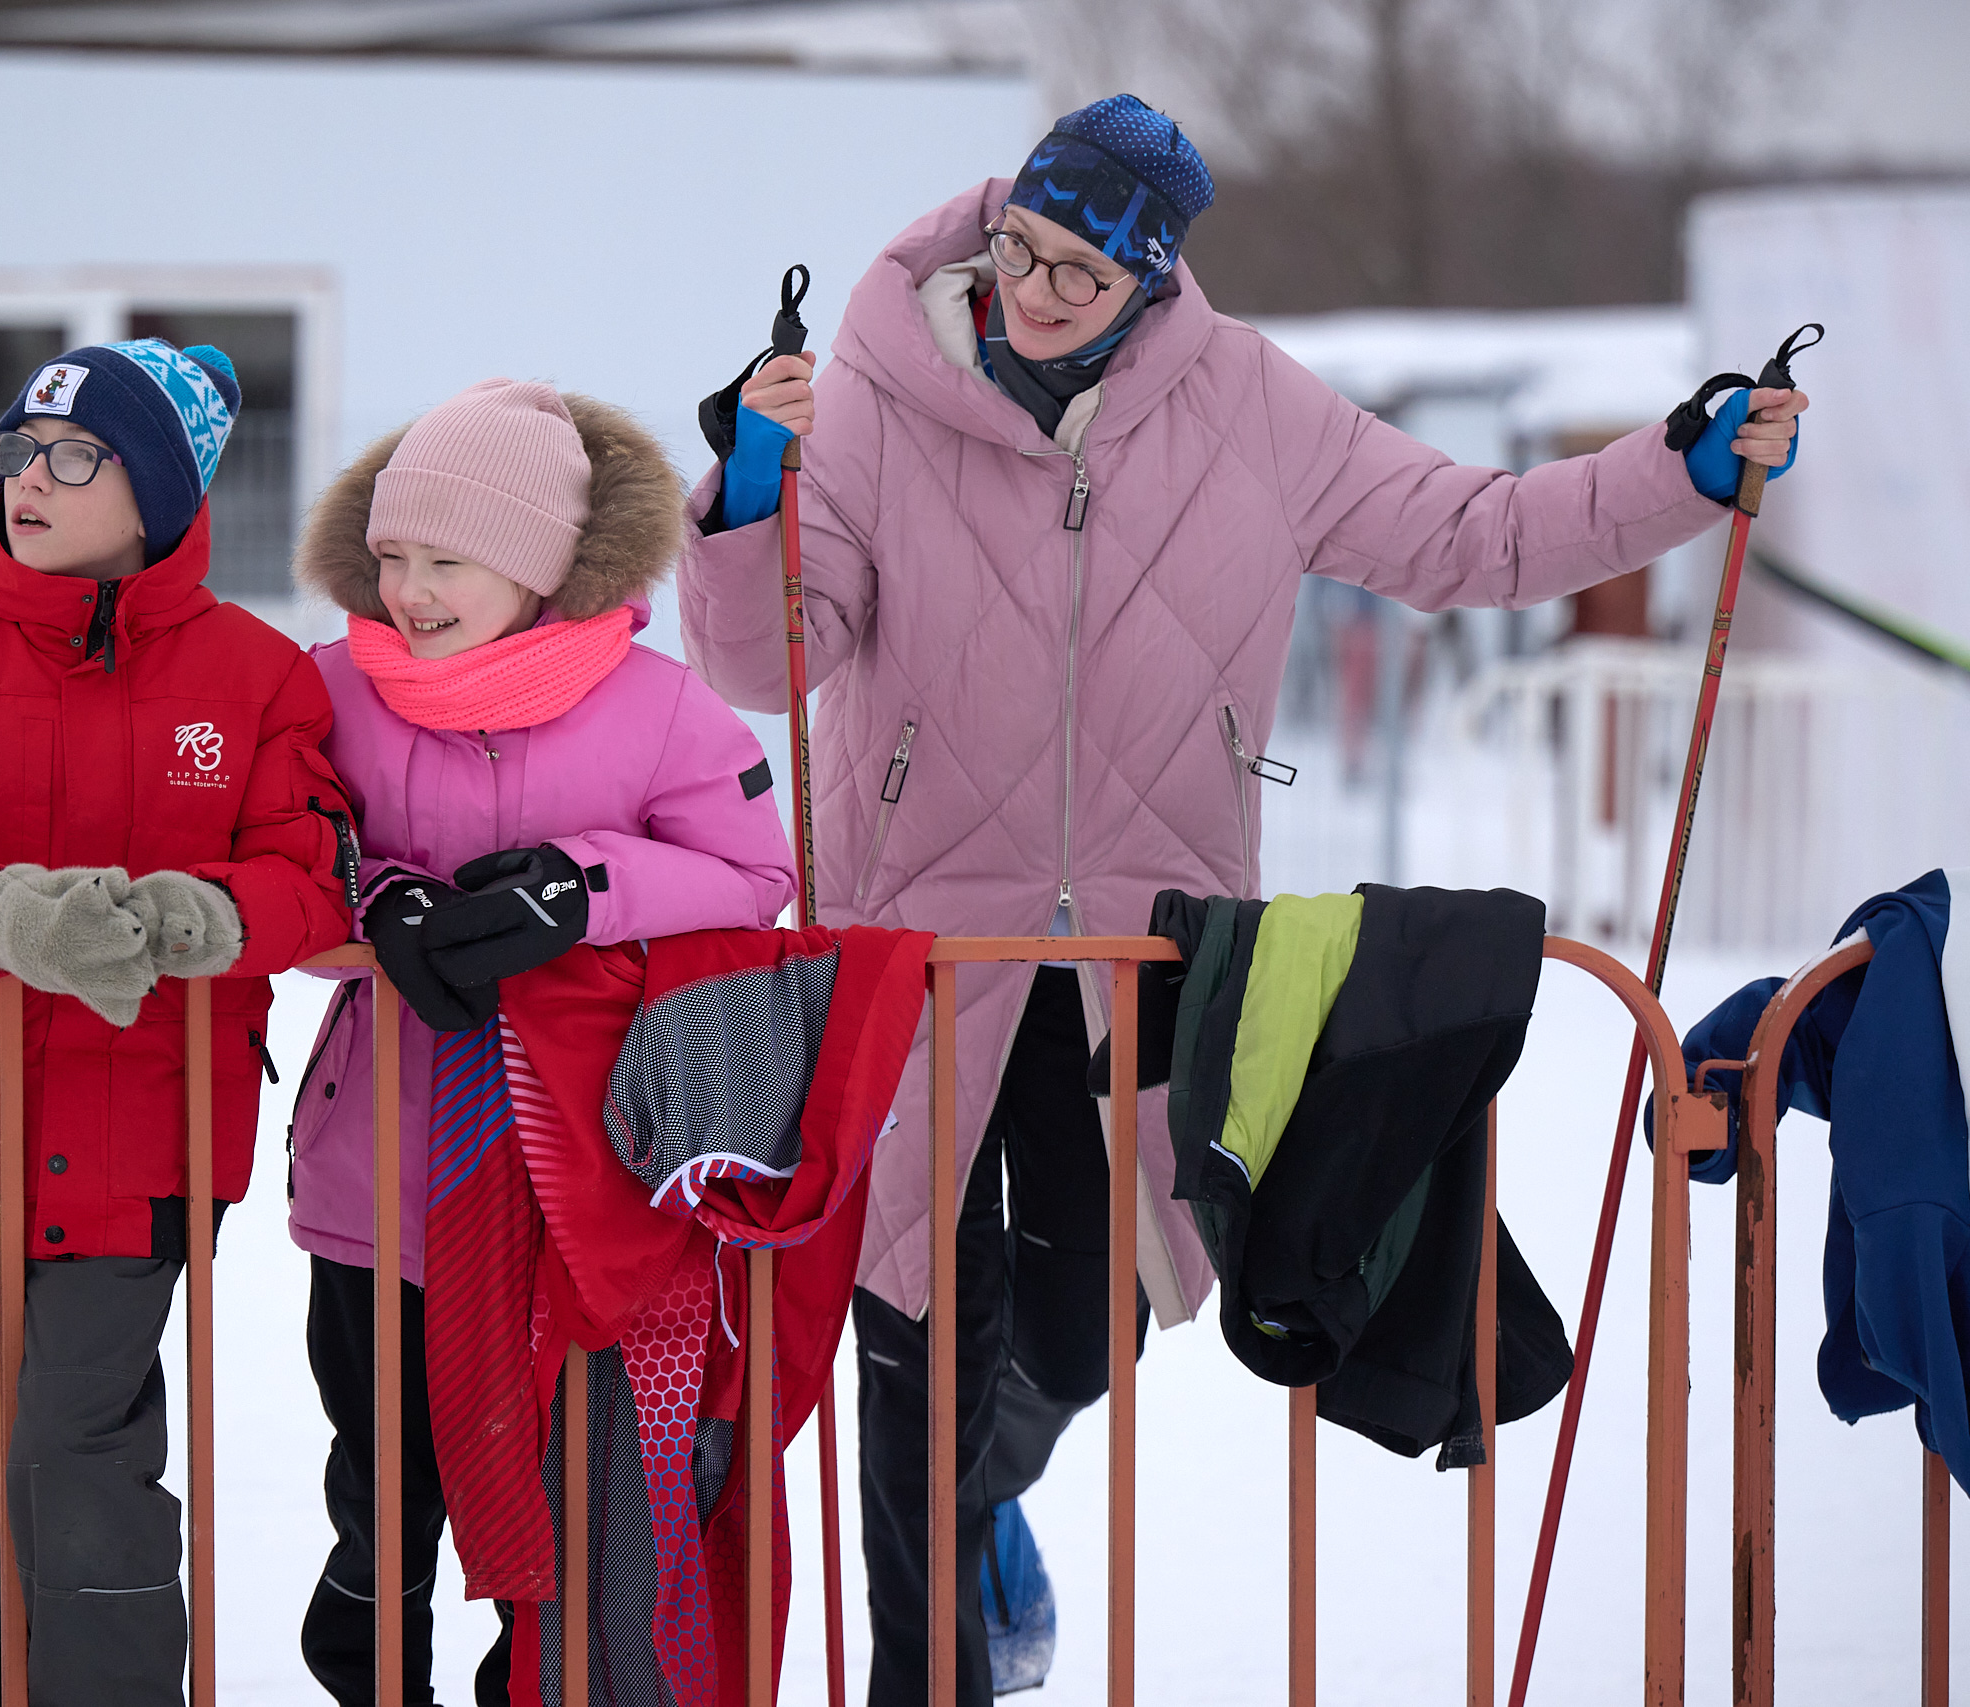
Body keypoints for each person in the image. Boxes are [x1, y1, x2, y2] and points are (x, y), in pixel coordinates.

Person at [678, 94, 1807, 1704]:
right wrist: (747, 495)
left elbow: (1470, 534)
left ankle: (993, 1495)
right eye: (1025, 254)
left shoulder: (1253, 409)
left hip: (1142, 959)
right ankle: (926, 1675)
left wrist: (1676, 475)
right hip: (921, 949)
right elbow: (757, 660)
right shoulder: (869, 397)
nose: (1042, 293)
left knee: (1085, 1333)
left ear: (1156, 278)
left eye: (1085, 272)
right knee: (916, 1329)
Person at [0, 338, 356, 1707]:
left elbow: (308, 881)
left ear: (163, 492)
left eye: (75, 457)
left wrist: (210, 916)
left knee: (76, 1462)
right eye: (15, 452)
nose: (28, 481)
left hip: (142, 1147)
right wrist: (5, 915)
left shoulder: (259, 679)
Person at [282, 377, 795, 1703]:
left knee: (547, 1483)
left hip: (567, 1181)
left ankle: (534, 1681)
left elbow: (751, 871)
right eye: (393, 556)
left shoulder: (659, 706)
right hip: (378, 1182)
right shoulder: (329, 689)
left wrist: (581, 887)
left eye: (447, 559)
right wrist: (373, 894)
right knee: (383, 1471)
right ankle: (369, 1664)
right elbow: (277, 846)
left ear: (542, 563)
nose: (410, 590)